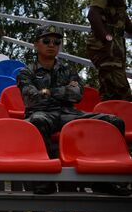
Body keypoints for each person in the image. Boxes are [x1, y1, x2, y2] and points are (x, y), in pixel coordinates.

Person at [17, 25, 128, 195]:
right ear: (36, 45)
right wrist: (64, 91)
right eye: (46, 40)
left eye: (57, 41)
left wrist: (49, 92)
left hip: (68, 113)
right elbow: (31, 98)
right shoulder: (26, 72)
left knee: (113, 122)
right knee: (38, 122)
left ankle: (105, 180)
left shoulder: (68, 70)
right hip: (41, 113)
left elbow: (76, 95)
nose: (52, 44)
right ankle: (44, 179)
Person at [86, 0, 132, 101]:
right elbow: (93, 14)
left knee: (111, 93)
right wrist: (108, 39)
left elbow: (123, 19)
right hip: (105, 45)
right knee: (122, 93)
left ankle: (109, 122)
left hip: (115, 45)